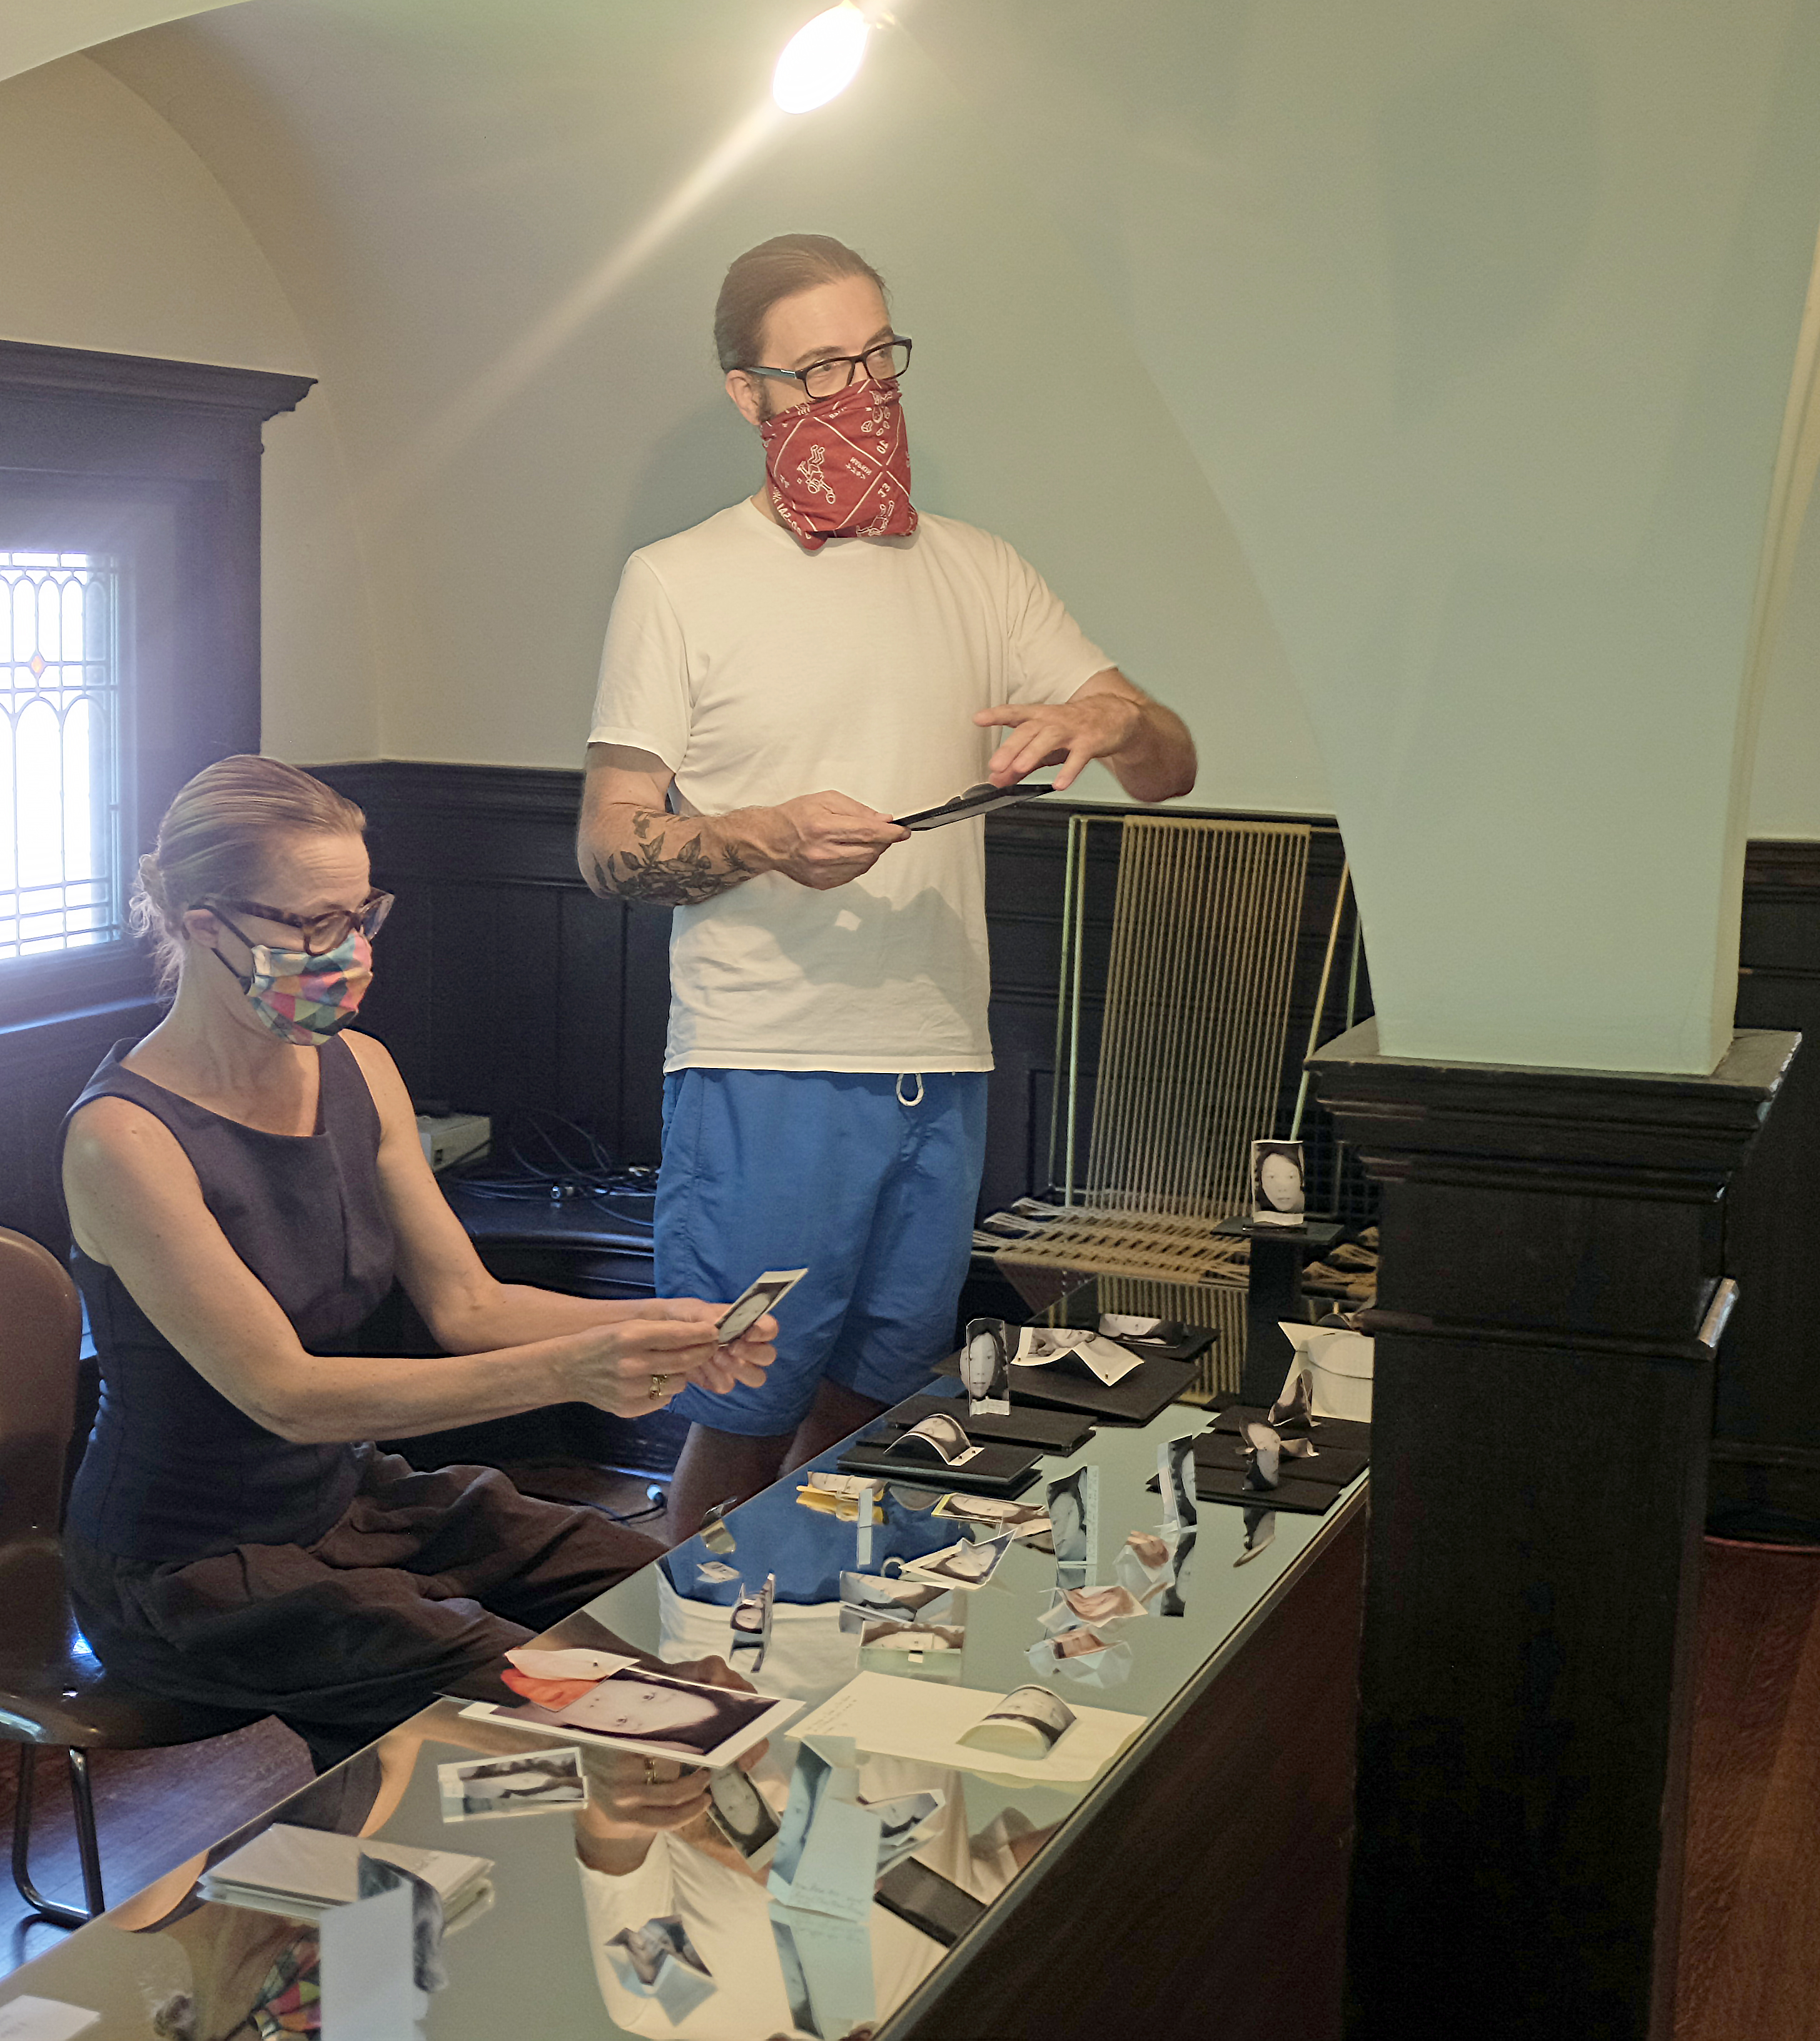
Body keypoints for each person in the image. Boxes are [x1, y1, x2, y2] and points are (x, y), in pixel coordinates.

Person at [579, 233, 1197, 1540]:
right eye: (819, 369)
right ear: (748, 394)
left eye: (877, 357)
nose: (858, 392)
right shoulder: (679, 580)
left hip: (942, 1056)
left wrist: (1113, 720)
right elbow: (610, 845)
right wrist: (764, 835)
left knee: (877, 1415)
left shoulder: (983, 568)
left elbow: (1168, 766)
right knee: (743, 1411)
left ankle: (817, 1632)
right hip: (768, 1064)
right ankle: (691, 1644)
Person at [61, 755, 778, 1771]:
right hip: (190, 1567)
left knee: (679, 1589)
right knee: (597, 1708)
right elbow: (286, 1395)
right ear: (201, 922)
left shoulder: (359, 1066)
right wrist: (573, 1369)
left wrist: (664, 1324)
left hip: (349, 1504)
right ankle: (406, 1857)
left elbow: (470, 1305)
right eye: (315, 924)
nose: (351, 952)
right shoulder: (123, 1140)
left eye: (361, 917)